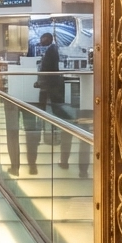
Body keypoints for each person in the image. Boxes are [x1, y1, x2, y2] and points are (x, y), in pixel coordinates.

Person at [37, 31, 89, 177]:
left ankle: (67, 161)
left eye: (43, 37)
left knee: (64, 123)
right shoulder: (52, 50)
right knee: (69, 126)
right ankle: (81, 170)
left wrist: (43, 82)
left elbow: (47, 69)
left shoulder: (52, 50)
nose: (41, 40)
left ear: (48, 38)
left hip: (53, 88)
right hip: (60, 93)